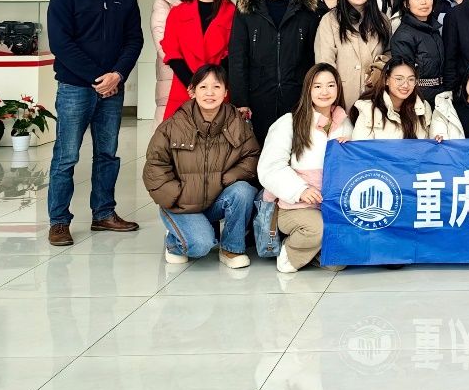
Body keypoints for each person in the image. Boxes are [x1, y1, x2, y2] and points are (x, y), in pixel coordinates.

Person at [45, 0, 145, 246]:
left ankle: (103, 213)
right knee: (66, 156)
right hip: (75, 88)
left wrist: (117, 75)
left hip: (112, 89)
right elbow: (61, 44)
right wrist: (98, 78)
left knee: (107, 154)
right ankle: (59, 222)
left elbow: (134, 40)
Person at [142, 63, 259, 268]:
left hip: (215, 199)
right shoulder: (173, 125)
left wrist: (230, 177)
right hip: (182, 203)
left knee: (244, 191)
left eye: (216, 87)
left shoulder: (237, 122)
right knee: (201, 246)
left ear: (225, 92)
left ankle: (231, 248)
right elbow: (154, 166)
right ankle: (174, 242)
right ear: (192, 91)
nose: (210, 93)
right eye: (203, 87)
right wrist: (174, 196)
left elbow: (252, 155)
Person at [258, 63, 352, 273]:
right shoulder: (289, 122)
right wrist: (300, 189)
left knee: (337, 263)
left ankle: (312, 250)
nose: (324, 91)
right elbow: (270, 167)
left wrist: (351, 148)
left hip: (330, 206)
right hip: (294, 206)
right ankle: (289, 254)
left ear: (338, 88)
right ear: (308, 89)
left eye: (330, 85)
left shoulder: (345, 124)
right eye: (317, 86)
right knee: (316, 229)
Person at [229, 0, 320, 144]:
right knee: (258, 150)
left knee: (294, 148)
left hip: (295, 96)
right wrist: (240, 100)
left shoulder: (306, 10)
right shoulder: (247, 8)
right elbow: (237, 56)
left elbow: (312, 57)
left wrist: (310, 98)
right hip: (258, 96)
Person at [159, 0, 234, 121]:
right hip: (185, 87)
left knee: (219, 133)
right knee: (180, 133)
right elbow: (172, 52)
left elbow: (233, 53)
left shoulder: (232, 13)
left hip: (218, 88)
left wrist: (212, 85)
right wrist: (193, 84)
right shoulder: (177, 13)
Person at [314, 0, 391, 108]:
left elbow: (389, 52)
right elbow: (325, 62)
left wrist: (380, 67)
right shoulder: (330, 20)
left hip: (375, 96)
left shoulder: (382, 20)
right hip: (341, 97)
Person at [150, 0, 194, 122]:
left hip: (204, 76)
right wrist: (188, 77)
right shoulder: (163, 2)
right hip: (174, 74)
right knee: (171, 125)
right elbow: (162, 43)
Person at [389, 0, 446, 103]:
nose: (423, 2)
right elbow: (403, 77)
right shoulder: (403, 36)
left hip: (440, 96)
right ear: (406, 4)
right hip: (418, 98)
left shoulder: (433, 29)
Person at [350, 58, 431, 139]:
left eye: (411, 79)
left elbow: (428, 143)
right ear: (386, 80)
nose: (405, 85)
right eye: (399, 79)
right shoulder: (368, 108)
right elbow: (360, 145)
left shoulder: (423, 107)